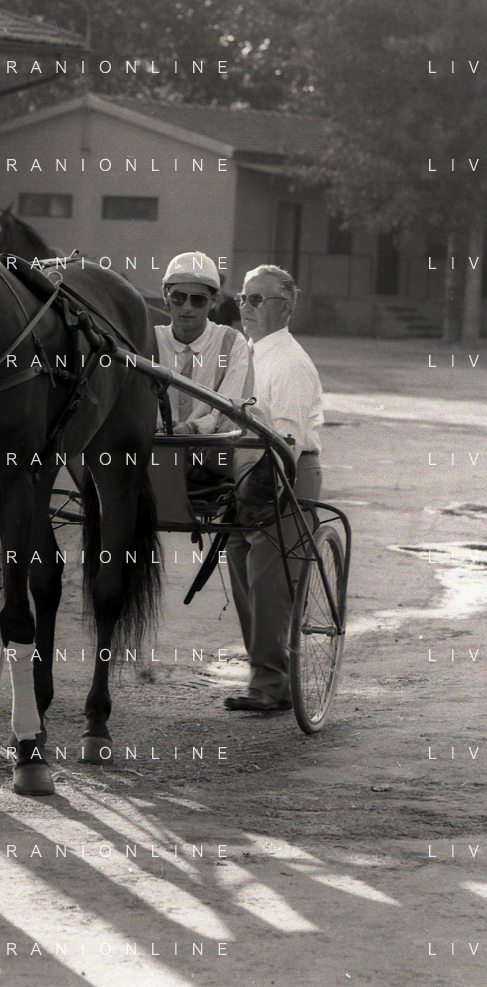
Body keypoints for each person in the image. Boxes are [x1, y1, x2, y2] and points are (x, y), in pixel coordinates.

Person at [224, 264, 323, 713]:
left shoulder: (290, 363)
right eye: (242, 298)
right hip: (247, 469)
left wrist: (263, 485)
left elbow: (289, 439)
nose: (245, 307)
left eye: (256, 299)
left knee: (268, 578)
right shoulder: (244, 355)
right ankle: (268, 676)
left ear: (285, 308)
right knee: (241, 568)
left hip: (285, 472)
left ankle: (269, 684)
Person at [154, 251, 252, 437]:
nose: (187, 307)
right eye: (178, 297)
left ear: (213, 301)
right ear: (166, 296)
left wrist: (194, 427)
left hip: (211, 449)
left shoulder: (232, 343)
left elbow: (233, 408)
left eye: (198, 300)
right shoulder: (150, 339)